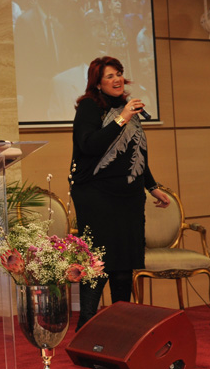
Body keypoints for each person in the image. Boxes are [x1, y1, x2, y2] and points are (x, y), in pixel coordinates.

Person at [68, 56, 170, 330]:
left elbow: (135, 153)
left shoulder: (125, 108)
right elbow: (89, 145)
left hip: (129, 197)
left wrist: (152, 187)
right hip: (96, 195)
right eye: (110, 76)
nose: (117, 80)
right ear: (97, 83)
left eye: (119, 74)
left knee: (124, 264)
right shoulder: (90, 107)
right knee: (98, 262)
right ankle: (86, 325)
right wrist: (122, 118)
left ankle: (120, 328)